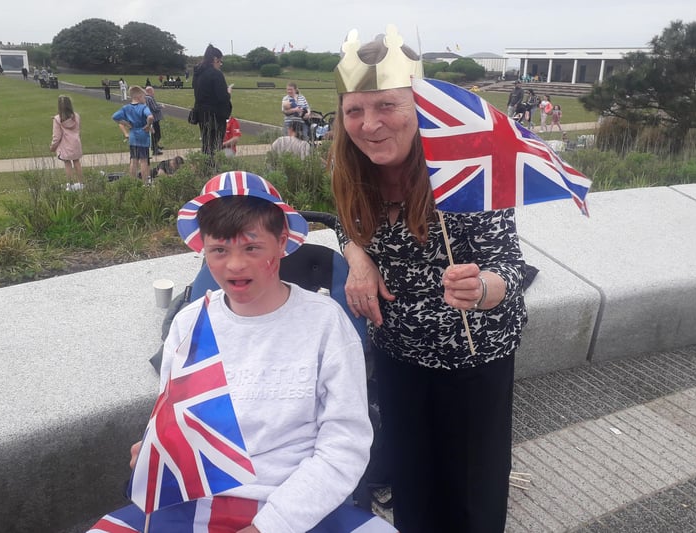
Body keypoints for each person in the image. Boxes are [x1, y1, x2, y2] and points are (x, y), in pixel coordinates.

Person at [86, 171, 390, 533]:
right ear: (203, 249)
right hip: (195, 499)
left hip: (299, 506)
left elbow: (345, 445)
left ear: (281, 244)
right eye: (219, 250)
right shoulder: (188, 325)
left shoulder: (326, 324)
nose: (234, 265)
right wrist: (155, 448)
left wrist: (270, 525)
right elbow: (174, 420)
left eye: (251, 247)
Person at [329, 26, 528, 533]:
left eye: (387, 107)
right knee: (413, 482)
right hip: (397, 352)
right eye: (355, 110)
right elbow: (342, 226)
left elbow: (508, 265)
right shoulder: (354, 171)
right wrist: (358, 258)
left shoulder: (464, 169)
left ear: (418, 106)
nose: (369, 124)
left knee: (470, 491)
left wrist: (480, 287)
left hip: (472, 354)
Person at [193, 44, 232, 156]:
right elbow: (222, 97)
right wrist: (228, 92)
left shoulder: (198, 73)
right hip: (215, 115)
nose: (220, 64)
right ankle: (213, 169)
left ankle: (205, 167)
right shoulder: (216, 74)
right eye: (220, 61)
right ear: (215, 59)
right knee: (215, 145)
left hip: (201, 114)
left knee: (206, 144)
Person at [112, 86, 154, 185]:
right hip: (143, 135)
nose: (145, 99)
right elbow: (150, 117)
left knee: (133, 160)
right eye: (144, 97)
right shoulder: (143, 107)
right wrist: (148, 125)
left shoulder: (126, 108)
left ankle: (132, 182)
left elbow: (114, 117)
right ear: (139, 97)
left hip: (133, 135)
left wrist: (126, 124)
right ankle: (145, 183)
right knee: (144, 160)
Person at [49, 95, 83, 182]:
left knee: (67, 164)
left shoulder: (57, 120)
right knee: (76, 162)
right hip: (76, 143)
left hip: (65, 145)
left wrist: (53, 147)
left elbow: (56, 137)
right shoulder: (76, 116)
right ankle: (81, 182)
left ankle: (70, 184)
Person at [144, 86, 164, 155]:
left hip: (151, 118)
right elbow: (155, 108)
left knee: (154, 134)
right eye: (153, 91)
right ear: (150, 91)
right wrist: (161, 106)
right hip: (154, 119)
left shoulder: (145, 98)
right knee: (156, 134)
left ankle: (155, 146)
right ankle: (155, 148)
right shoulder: (150, 98)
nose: (154, 93)